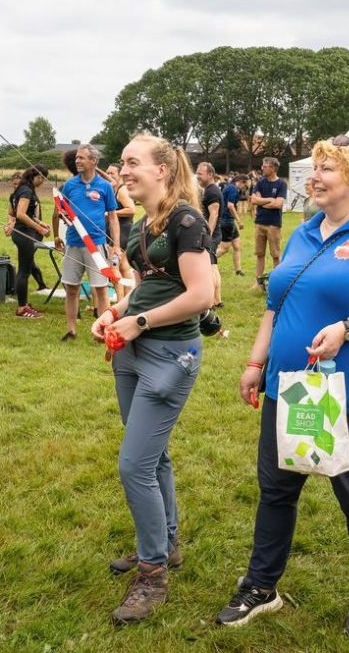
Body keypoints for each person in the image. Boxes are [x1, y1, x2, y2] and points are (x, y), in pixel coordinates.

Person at [215, 135, 349, 637]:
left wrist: (348, 328)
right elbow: (275, 306)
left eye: (326, 168)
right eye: (314, 167)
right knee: (276, 489)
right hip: (289, 387)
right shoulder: (304, 232)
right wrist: (256, 361)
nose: (314, 176)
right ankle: (262, 586)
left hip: (348, 391)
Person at [91, 134, 212, 625]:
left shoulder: (187, 221)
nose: (122, 170)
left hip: (170, 354)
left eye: (132, 162)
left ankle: (153, 574)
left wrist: (138, 322)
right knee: (153, 456)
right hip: (132, 352)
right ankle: (167, 541)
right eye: (122, 162)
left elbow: (202, 295)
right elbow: (145, 288)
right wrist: (115, 312)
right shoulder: (144, 224)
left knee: (134, 466)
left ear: (163, 169)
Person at [52, 143, 120, 342]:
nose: (77, 161)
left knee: (101, 288)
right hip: (73, 243)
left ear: (94, 161)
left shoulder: (105, 186)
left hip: (96, 245)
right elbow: (60, 211)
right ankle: (71, 330)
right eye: (76, 158)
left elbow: (113, 216)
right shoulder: (70, 185)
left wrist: (116, 245)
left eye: (81, 158)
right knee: (71, 288)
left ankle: (103, 332)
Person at [10, 166, 51, 319]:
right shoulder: (26, 191)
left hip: (21, 232)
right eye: (43, 178)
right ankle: (22, 308)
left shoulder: (20, 189)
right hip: (24, 233)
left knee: (26, 269)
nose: (42, 182)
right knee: (24, 272)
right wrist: (39, 229)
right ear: (37, 176)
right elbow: (20, 214)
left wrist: (40, 222)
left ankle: (24, 303)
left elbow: (26, 213)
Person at [5, 171, 48, 291]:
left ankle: (18, 288)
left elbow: (35, 217)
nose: (16, 186)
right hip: (22, 231)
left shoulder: (30, 195)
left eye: (18, 184)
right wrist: (9, 225)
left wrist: (41, 227)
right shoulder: (13, 196)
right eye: (14, 184)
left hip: (34, 232)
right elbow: (11, 214)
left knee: (27, 261)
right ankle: (40, 285)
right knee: (28, 260)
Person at [250, 157, 287, 290]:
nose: (262, 168)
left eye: (265, 166)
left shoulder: (281, 184)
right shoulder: (260, 182)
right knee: (259, 254)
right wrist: (270, 199)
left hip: (274, 224)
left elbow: (278, 204)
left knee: (275, 255)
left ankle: (278, 283)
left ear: (273, 168)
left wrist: (262, 201)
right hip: (259, 223)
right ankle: (258, 283)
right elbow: (254, 200)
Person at [101, 163, 137, 302]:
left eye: (112, 173)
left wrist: (110, 213)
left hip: (122, 232)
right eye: (107, 173)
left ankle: (120, 303)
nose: (109, 176)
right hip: (122, 232)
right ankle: (127, 301)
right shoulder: (114, 190)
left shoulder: (122, 190)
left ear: (120, 175)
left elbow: (131, 209)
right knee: (124, 268)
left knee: (114, 268)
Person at [196, 162, 223, 307]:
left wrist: (208, 235)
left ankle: (214, 301)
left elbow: (214, 214)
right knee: (212, 266)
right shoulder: (209, 190)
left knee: (211, 267)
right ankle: (217, 300)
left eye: (200, 174)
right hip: (212, 234)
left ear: (210, 175)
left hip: (212, 235)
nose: (197, 176)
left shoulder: (212, 192)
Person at [217, 174, 246, 276]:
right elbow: (230, 206)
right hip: (227, 221)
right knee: (224, 249)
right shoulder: (233, 189)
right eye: (245, 184)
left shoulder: (229, 186)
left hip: (228, 221)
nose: (244, 187)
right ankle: (206, 262)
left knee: (237, 246)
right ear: (241, 181)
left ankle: (238, 270)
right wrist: (239, 220)